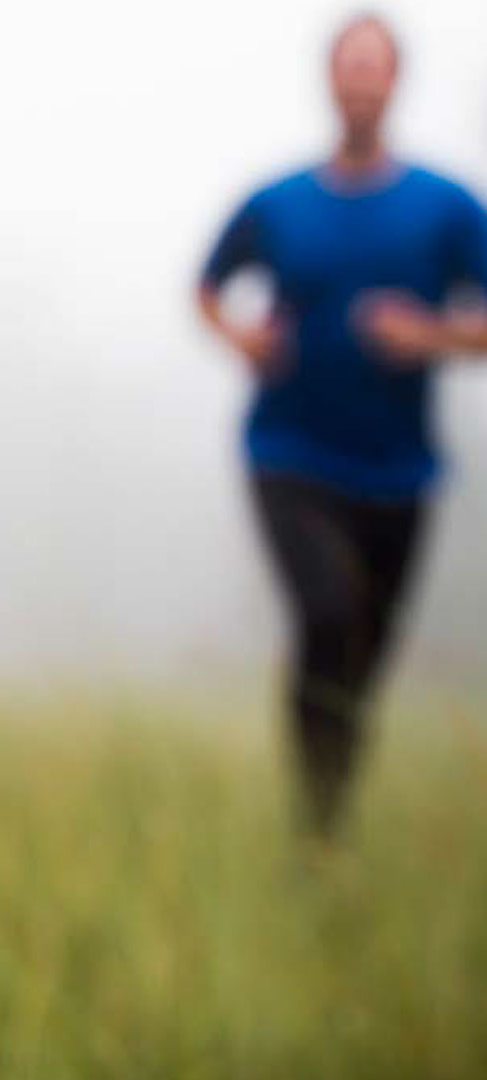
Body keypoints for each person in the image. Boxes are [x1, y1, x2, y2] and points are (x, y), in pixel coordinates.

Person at [197, 13, 487, 840]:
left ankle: (330, 821)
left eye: (375, 66)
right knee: (326, 616)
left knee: (361, 663)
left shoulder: (447, 207)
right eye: (348, 65)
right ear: (329, 81)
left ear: (395, 83)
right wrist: (240, 338)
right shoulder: (277, 203)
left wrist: (428, 335)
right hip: (287, 453)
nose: (360, 80)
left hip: (400, 472)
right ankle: (313, 831)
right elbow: (207, 288)